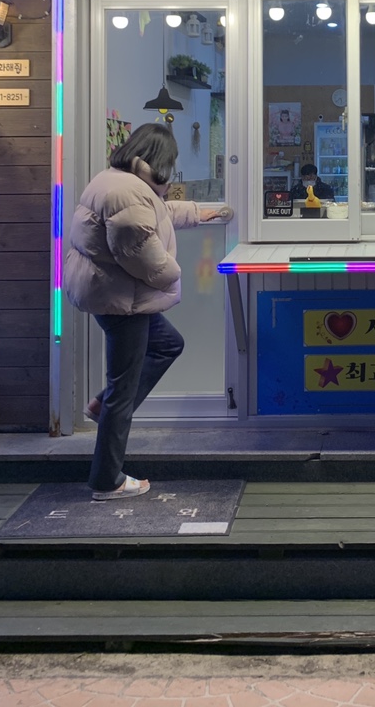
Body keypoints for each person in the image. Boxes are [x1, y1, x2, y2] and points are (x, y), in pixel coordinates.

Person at [63, 123, 232, 501]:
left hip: (115, 295)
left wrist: (200, 213)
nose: (168, 171)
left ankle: (103, 404)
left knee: (168, 343)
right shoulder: (127, 193)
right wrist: (175, 273)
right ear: (157, 160)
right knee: (122, 393)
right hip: (123, 301)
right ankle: (107, 481)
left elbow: (156, 213)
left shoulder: (117, 181)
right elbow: (142, 253)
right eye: (168, 163)